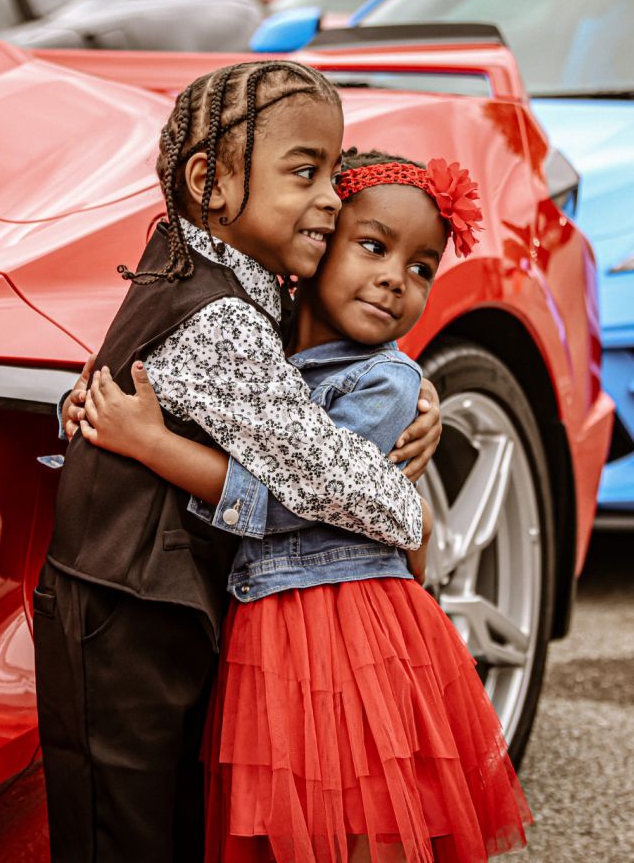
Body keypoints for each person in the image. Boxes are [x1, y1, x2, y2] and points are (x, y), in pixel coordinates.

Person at [36, 62, 442, 863]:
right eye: (305, 173)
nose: (332, 199)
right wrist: (411, 512)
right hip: (123, 611)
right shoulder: (221, 315)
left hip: (162, 594)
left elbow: (300, 380)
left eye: (334, 174)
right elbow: (322, 472)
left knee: (173, 820)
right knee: (122, 830)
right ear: (210, 182)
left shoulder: (213, 270)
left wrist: (417, 396)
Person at [81, 150, 532, 862]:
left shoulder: (384, 383)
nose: (397, 278)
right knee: (290, 822)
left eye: (422, 268)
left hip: (350, 628)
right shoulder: (253, 341)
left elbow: (294, 500)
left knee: (362, 821)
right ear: (320, 246)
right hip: (273, 627)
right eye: (374, 247)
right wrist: (90, 406)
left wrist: (150, 444)